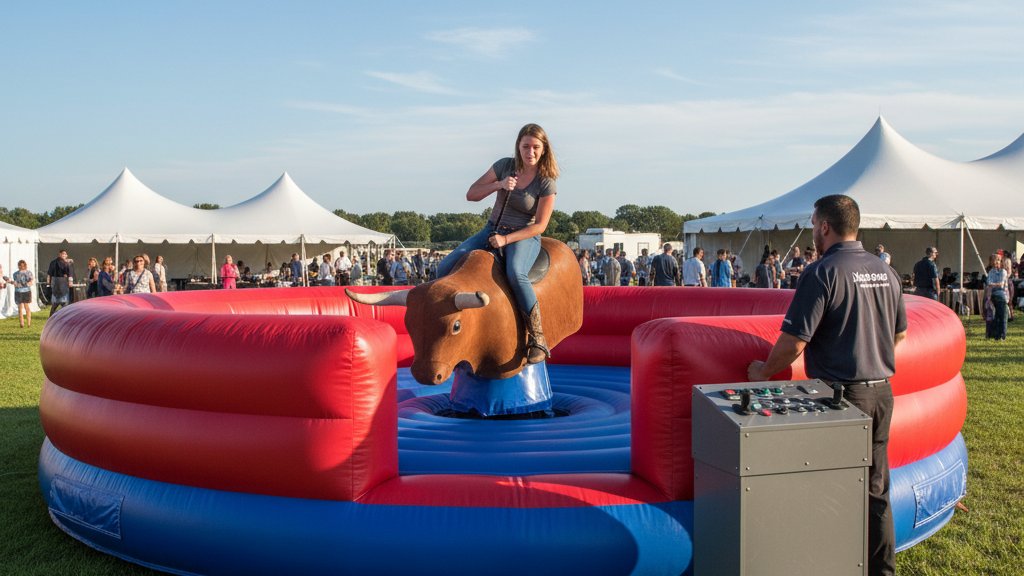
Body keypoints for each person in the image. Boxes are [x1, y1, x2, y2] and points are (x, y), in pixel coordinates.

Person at [748, 194, 905, 576]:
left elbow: (794, 341)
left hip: (841, 395)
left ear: (823, 226)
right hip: (881, 390)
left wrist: (764, 372)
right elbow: (899, 334)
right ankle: (880, 569)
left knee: (828, 487)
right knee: (875, 491)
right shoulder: (886, 271)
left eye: (814, 224)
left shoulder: (822, 272)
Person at [434, 123, 559, 364]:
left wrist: (505, 240)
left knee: (515, 273)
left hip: (524, 234)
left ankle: (537, 337)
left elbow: (540, 226)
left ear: (543, 150)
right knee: (444, 267)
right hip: (492, 228)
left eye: (535, 147)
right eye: (525, 146)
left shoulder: (546, 182)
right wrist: (498, 185)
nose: (530, 152)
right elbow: (471, 194)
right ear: (518, 147)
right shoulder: (504, 166)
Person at [984, 253, 1008, 340]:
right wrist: (994, 285)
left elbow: (999, 284)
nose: (996, 262)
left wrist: (992, 284)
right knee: (997, 317)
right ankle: (998, 335)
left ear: (1001, 262)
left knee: (999, 316)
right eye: (994, 260)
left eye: (997, 260)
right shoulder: (992, 272)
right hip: (996, 296)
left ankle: (1000, 336)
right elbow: (993, 284)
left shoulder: (1002, 272)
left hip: (998, 296)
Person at [46, 249, 74, 315]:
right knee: (63, 303)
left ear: (66, 255)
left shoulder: (66, 263)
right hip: (60, 284)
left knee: (56, 303)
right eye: (63, 254)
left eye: (65, 254)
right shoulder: (59, 263)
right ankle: (60, 316)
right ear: (59, 254)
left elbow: (69, 274)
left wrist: (49, 283)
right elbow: (49, 274)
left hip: (58, 283)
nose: (64, 255)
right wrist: (70, 281)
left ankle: (52, 316)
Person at [12, 260, 34, 328]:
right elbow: (15, 284)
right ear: (18, 266)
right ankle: (22, 323)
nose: (22, 267)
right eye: (20, 265)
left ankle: (28, 323)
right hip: (19, 291)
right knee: (20, 308)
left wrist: (24, 284)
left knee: (26, 307)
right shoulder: (15, 274)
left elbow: (31, 282)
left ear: (25, 265)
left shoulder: (29, 273)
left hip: (26, 291)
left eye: (23, 265)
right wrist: (16, 284)